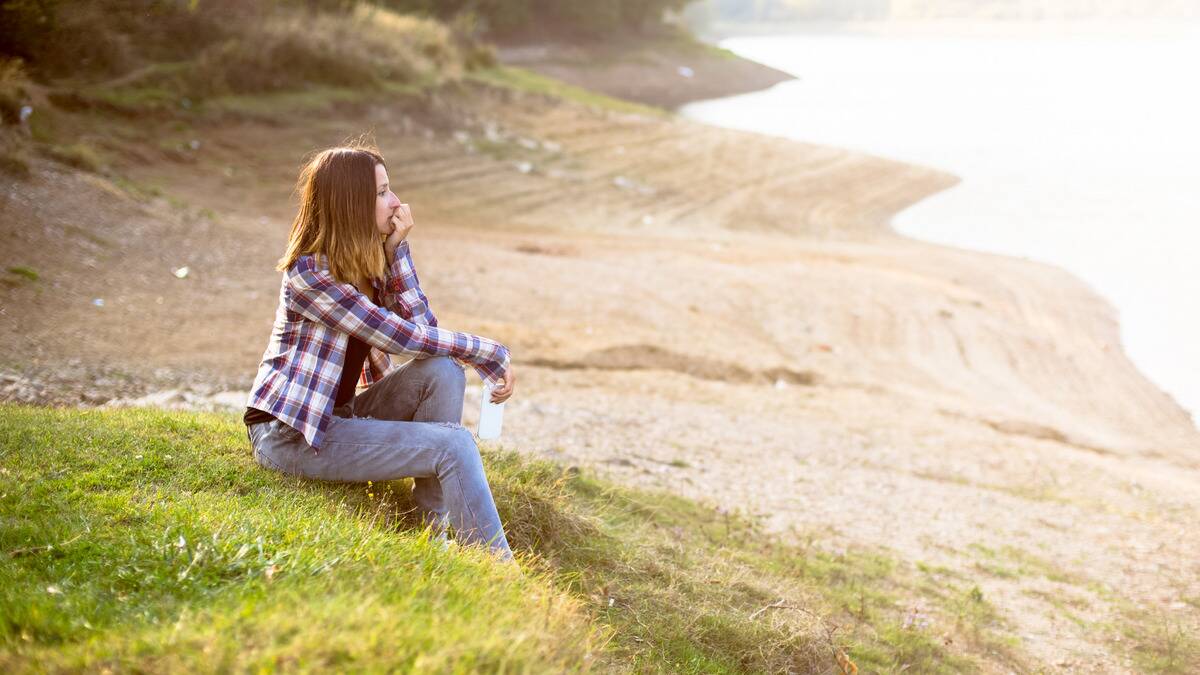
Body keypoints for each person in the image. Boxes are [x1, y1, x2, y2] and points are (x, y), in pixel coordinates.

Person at [243, 144, 517, 561]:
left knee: (443, 370)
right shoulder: (310, 274)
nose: (397, 203)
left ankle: (430, 535)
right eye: (383, 192)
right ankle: (502, 578)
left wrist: (394, 253)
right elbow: (399, 337)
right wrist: (489, 353)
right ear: (352, 204)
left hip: (338, 418)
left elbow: (425, 331)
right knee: (454, 445)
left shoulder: (363, 264)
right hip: (291, 436)